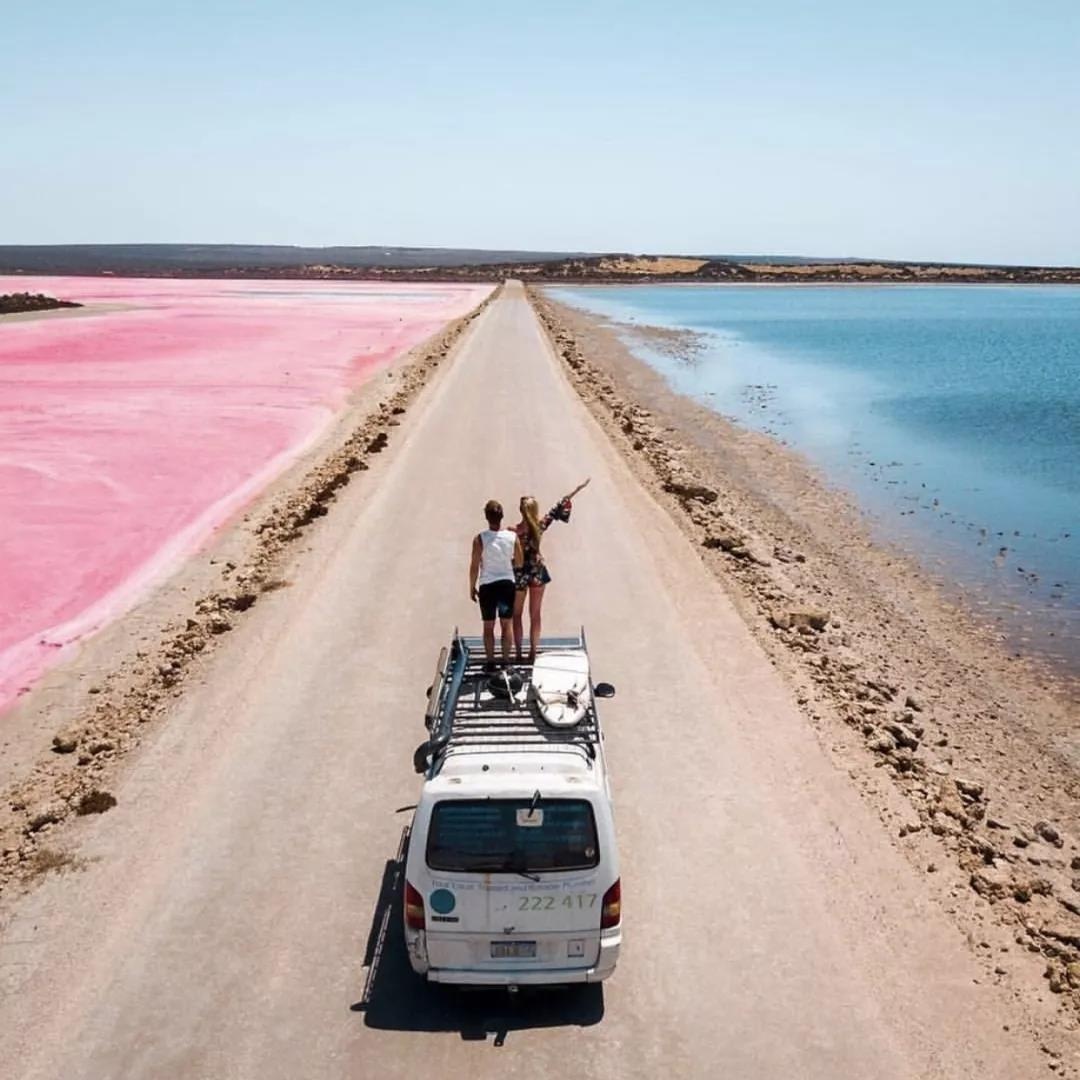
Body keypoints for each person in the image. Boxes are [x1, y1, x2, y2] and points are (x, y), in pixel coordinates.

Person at [513, 478, 591, 663]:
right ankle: (533, 652)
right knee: (536, 614)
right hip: (538, 573)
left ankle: (517, 654)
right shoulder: (539, 526)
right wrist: (576, 490)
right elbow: (557, 509)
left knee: (517, 615)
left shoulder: (513, 530)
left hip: (520, 575)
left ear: (521, 511)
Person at [469, 499, 523, 670]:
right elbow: (520, 562)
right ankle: (506, 661)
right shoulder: (512, 537)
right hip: (507, 584)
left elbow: (474, 565)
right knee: (506, 624)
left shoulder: (480, 539)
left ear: (486, 516)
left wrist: (471, 586)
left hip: (487, 585)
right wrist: (507, 563)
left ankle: (491, 661)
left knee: (488, 625)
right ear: (502, 516)